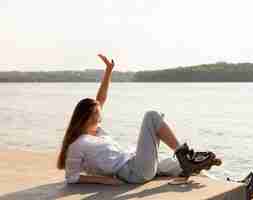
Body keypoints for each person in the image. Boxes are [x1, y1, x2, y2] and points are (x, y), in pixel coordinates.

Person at [56, 53, 201, 185]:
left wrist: (108, 72)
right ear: (89, 116)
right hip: (133, 172)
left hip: (135, 161)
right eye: (97, 112)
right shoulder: (77, 144)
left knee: (184, 166)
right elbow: (72, 177)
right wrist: (105, 180)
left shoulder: (96, 131)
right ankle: (183, 155)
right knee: (151, 117)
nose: (101, 113)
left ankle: (193, 163)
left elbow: (100, 100)